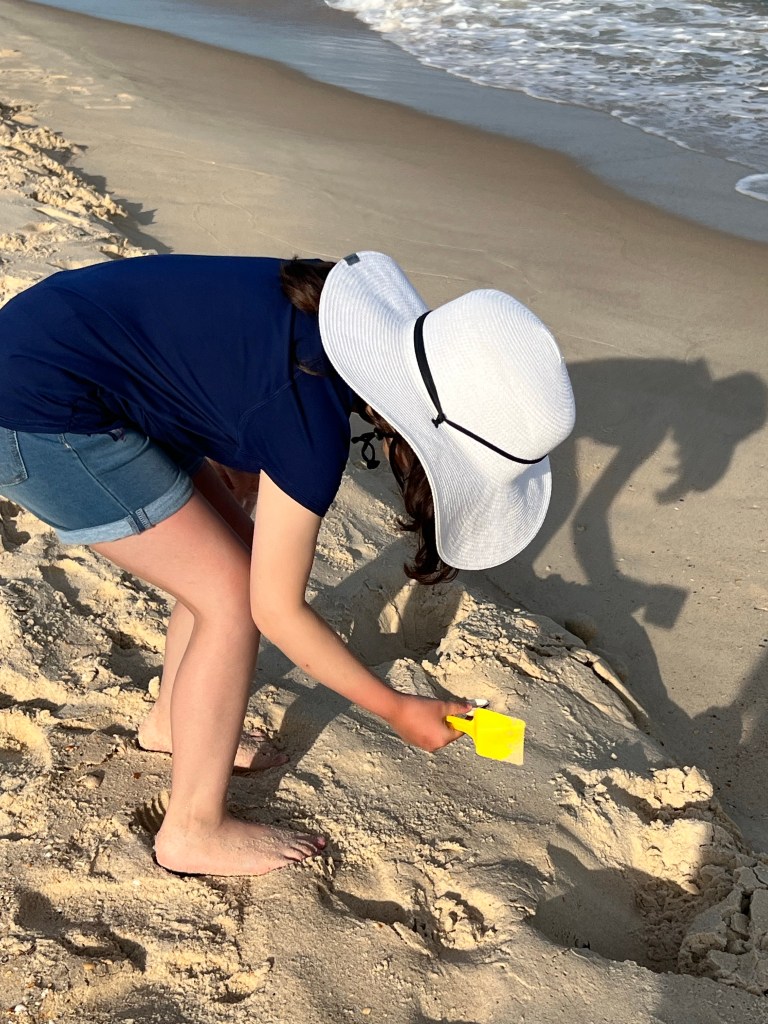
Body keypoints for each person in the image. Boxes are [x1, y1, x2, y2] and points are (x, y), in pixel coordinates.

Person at [0, 251, 575, 876]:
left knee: (229, 561)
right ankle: (193, 828)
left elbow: (222, 363)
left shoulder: (326, 320)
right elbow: (275, 610)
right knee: (232, 600)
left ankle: (171, 724)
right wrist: (393, 707)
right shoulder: (309, 428)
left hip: (69, 349)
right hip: (38, 413)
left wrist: (239, 454)